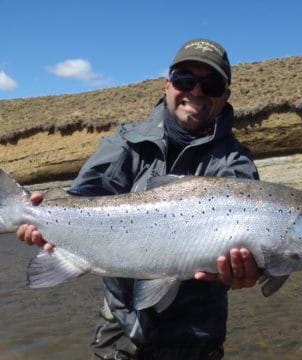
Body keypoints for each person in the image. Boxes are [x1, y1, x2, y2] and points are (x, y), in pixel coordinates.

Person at [17, 39, 280, 360]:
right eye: (185, 80)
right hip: (123, 320)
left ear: (225, 96)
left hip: (198, 328)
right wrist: (41, 220)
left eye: (209, 84)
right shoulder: (125, 142)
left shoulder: (235, 162)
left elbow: (254, 242)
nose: (195, 92)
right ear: (167, 84)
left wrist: (255, 271)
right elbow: (79, 201)